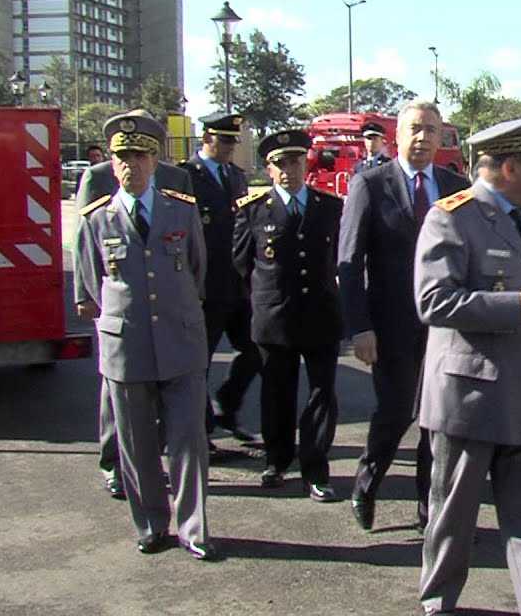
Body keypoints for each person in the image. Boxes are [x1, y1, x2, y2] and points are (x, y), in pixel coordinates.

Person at [415, 112, 521, 616]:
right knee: (453, 521)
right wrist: (516, 304)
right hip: (471, 401)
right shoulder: (451, 216)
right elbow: (433, 302)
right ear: (510, 166)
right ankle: (438, 605)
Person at [74, 111, 217, 560]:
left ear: (156, 160)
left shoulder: (182, 208)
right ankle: (153, 524)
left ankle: (194, 528)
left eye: (140, 156)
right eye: (122, 158)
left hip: (179, 338)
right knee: (136, 444)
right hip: (127, 344)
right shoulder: (97, 218)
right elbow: (89, 284)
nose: (131, 166)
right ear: (111, 165)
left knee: (188, 440)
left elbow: (197, 271)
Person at [338, 101, 469, 532]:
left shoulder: (455, 185)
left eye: (432, 130)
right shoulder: (370, 184)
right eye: (415, 129)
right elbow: (349, 262)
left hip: (445, 327)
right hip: (391, 326)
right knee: (395, 412)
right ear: (397, 135)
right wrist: (359, 326)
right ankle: (366, 483)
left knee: (438, 418)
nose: (423, 138)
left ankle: (427, 506)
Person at [233, 128, 344, 497]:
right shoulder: (252, 211)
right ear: (268, 169)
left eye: (294, 162)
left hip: (320, 315)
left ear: (305, 164)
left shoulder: (330, 206)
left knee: (321, 395)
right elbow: (241, 266)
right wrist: (261, 303)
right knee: (277, 393)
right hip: (274, 318)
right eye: (279, 164)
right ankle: (276, 460)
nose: (287, 170)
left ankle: (316, 469)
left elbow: (342, 258)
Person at [179, 113, 262, 443]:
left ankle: (227, 406)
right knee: (199, 361)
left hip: (238, 284)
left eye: (233, 141)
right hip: (205, 285)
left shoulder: (236, 176)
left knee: (255, 350)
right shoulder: (186, 176)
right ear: (206, 138)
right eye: (224, 140)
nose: (230, 147)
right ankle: (200, 430)